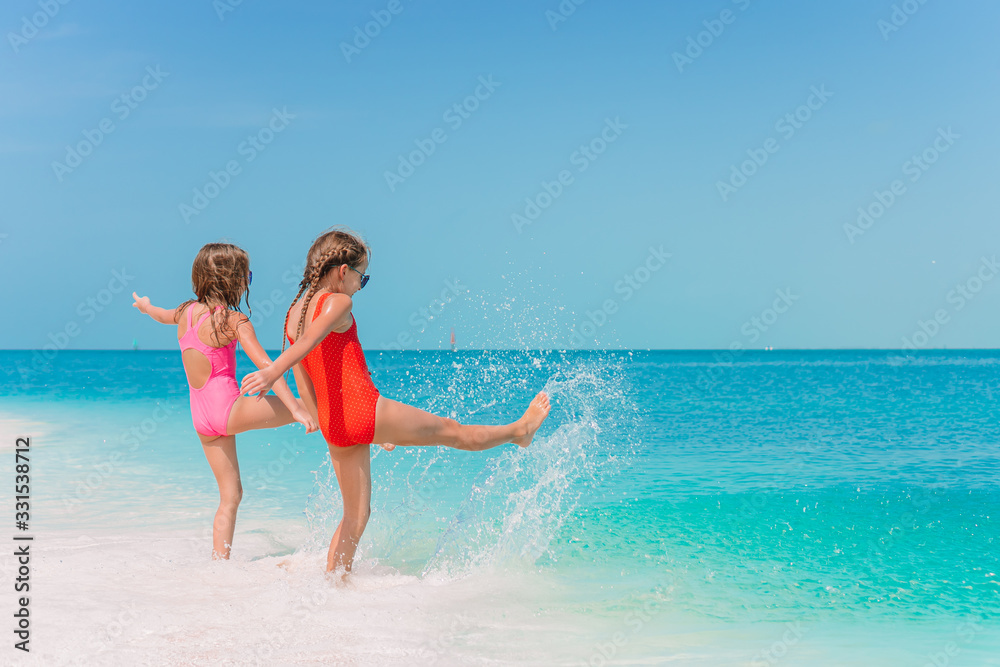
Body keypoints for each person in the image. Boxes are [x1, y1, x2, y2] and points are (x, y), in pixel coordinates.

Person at [240, 228, 550, 576]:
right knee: (453, 431)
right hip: (365, 411)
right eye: (362, 276)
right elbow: (310, 343)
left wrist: (321, 420)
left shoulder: (295, 310)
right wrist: (271, 373)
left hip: (336, 427)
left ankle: (334, 586)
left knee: (355, 517)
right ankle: (520, 431)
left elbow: (303, 371)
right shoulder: (339, 302)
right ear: (343, 271)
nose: (361, 284)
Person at [132, 242, 317, 559]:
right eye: (248, 274)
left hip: (201, 420)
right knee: (316, 407)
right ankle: (374, 435)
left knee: (231, 496)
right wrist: (296, 408)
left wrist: (145, 305)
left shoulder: (183, 313)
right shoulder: (234, 321)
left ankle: (219, 566)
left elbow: (158, 314)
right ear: (237, 281)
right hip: (228, 411)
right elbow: (266, 366)